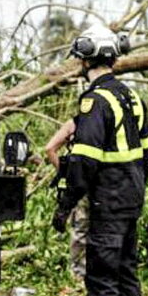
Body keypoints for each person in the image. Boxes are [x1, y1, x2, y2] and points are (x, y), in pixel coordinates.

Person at [53, 24, 148, 296]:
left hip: (107, 204)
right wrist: (134, 190)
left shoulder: (94, 101)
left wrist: (65, 204)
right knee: (127, 274)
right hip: (131, 200)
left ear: (86, 58)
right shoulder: (133, 98)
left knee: (102, 278)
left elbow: (84, 160)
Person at [43, 119, 88, 281]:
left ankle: (78, 276)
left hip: (79, 185)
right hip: (103, 185)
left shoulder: (75, 123)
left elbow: (50, 148)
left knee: (80, 231)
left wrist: (67, 174)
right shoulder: (104, 122)